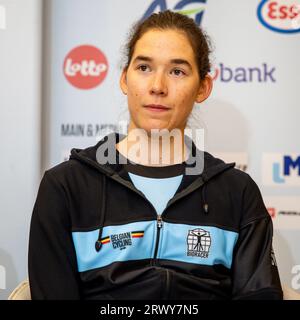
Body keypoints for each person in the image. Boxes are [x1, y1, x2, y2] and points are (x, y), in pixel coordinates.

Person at [28, 10, 283, 300]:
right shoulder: (66, 186)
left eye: (177, 71)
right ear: (125, 79)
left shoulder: (238, 193)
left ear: (203, 87)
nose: (157, 87)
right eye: (144, 68)